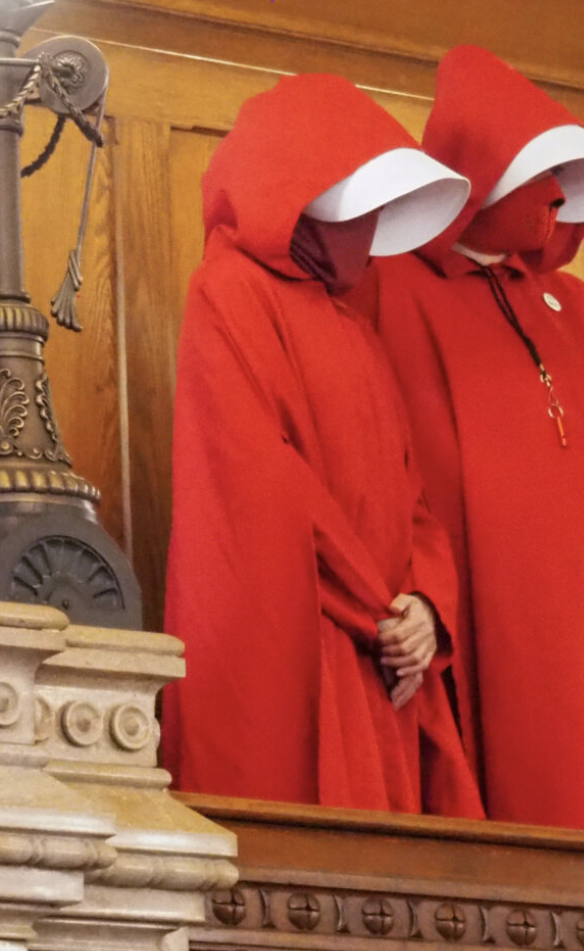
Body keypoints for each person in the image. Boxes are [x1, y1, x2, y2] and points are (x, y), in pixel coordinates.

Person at [350, 45, 584, 841]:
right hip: (504, 623)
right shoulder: (389, 289)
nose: (555, 198)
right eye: (535, 174)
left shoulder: (577, 306)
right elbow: (381, 464)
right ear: (478, 171)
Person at [161, 73, 483, 817]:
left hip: (381, 653)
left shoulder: (355, 329)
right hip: (305, 641)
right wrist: (383, 613)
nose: (373, 229)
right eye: (364, 204)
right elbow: (258, 486)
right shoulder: (229, 292)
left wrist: (426, 610)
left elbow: (414, 503)